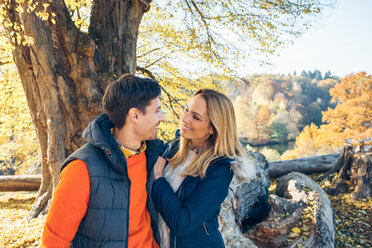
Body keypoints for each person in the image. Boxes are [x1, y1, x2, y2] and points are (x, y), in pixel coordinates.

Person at [41, 74, 165, 248]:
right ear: (135, 115)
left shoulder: (152, 157)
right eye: (157, 111)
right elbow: (54, 242)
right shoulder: (81, 168)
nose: (162, 118)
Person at [152, 89, 263, 248]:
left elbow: (182, 223)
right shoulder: (174, 147)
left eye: (196, 117)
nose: (185, 118)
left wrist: (158, 178)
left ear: (213, 128)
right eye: (186, 110)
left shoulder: (220, 169)